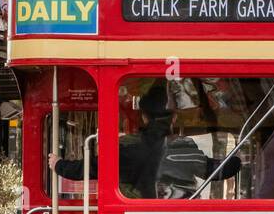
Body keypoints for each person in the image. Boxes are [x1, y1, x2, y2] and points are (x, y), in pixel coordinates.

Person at [49, 81, 241, 199]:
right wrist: (239, 160)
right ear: (174, 118)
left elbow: (88, 169)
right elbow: (215, 170)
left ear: (144, 117)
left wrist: (59, 164)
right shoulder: (183, 146)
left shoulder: (126, 146)